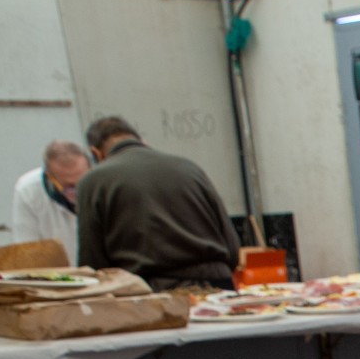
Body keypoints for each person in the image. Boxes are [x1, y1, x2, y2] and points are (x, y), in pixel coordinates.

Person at [75, 117, 238, 292]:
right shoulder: (189, 167)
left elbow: (92, 262)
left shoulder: (93, 181)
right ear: (141, 140)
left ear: (96, 153)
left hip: (151, 295)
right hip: (218, 286)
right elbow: (231, 243)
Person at [9, 141, 90, 264]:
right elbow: (27, 249)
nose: (77, 191)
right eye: (69, 186)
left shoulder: (104, 182)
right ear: (49, 177)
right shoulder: (28, 190)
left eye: (82, 182)